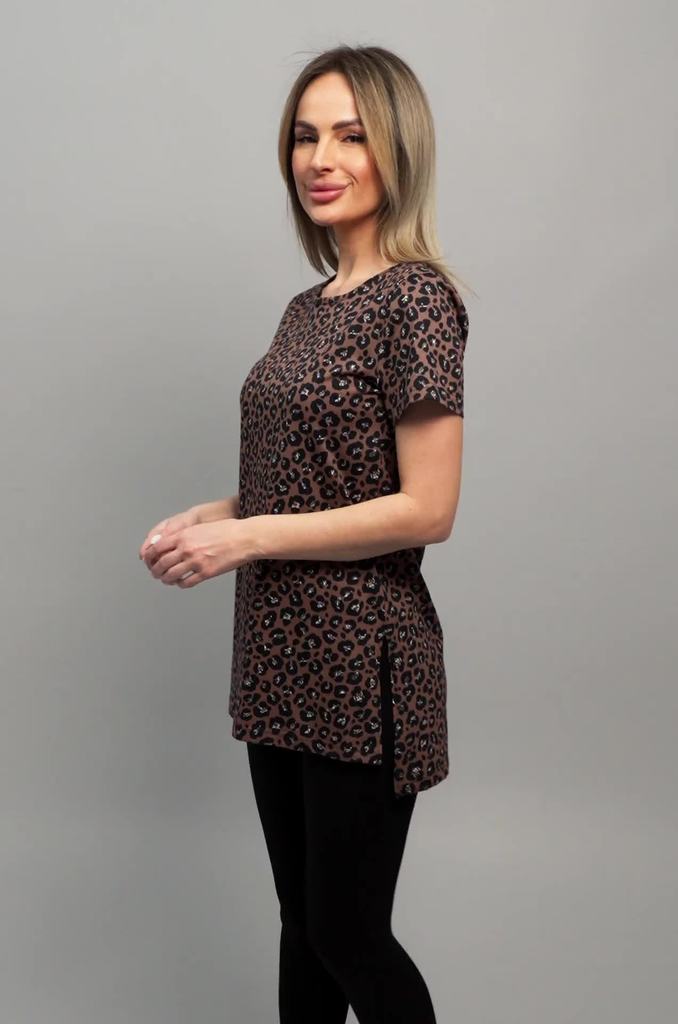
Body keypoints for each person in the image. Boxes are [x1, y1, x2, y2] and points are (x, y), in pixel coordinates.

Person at [139, 44, 471, 1024]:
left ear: (397, 149)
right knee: (304, 925)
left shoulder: (417, 300)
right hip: (281, 653)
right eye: (304, 135)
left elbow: (428, 508)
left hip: (362, 658)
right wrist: (217, 516)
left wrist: (246, 541)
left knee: (348, 932)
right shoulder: (305, 310)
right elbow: (315, 480)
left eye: (351, 136)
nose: (320, 159)